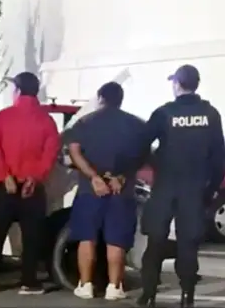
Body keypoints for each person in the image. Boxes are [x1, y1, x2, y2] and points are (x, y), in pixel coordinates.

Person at [137, 64, 224, 308]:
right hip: (194, 189)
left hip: (165, 186)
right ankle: (187, 296)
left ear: (177, 84)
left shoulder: (164, 113)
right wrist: (210, 190)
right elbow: (219, 158)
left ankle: (149, 295)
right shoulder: (211, 115)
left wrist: (155, 163)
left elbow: (141, 143)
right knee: (188, 245)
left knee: (155, 241)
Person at [0, 71, 59, 296]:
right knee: (31, 236)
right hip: (32, 189)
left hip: (6, 186)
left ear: (19, 90)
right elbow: (50, 154)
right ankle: (28, 281)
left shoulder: (3, 117)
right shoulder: (47, 121)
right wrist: (35, 177)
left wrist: (5, 175)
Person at [67, 82, 147, 301]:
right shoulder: (136, 124)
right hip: (122, 191)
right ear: (121, 99)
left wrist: (94, 177)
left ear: (100, 97)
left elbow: (74, 151)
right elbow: (143, 154)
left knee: (87, 238)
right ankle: (114, 286)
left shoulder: (85, 122)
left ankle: (86, 285)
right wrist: (122, 176)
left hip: (89, 190)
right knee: (116, 240)